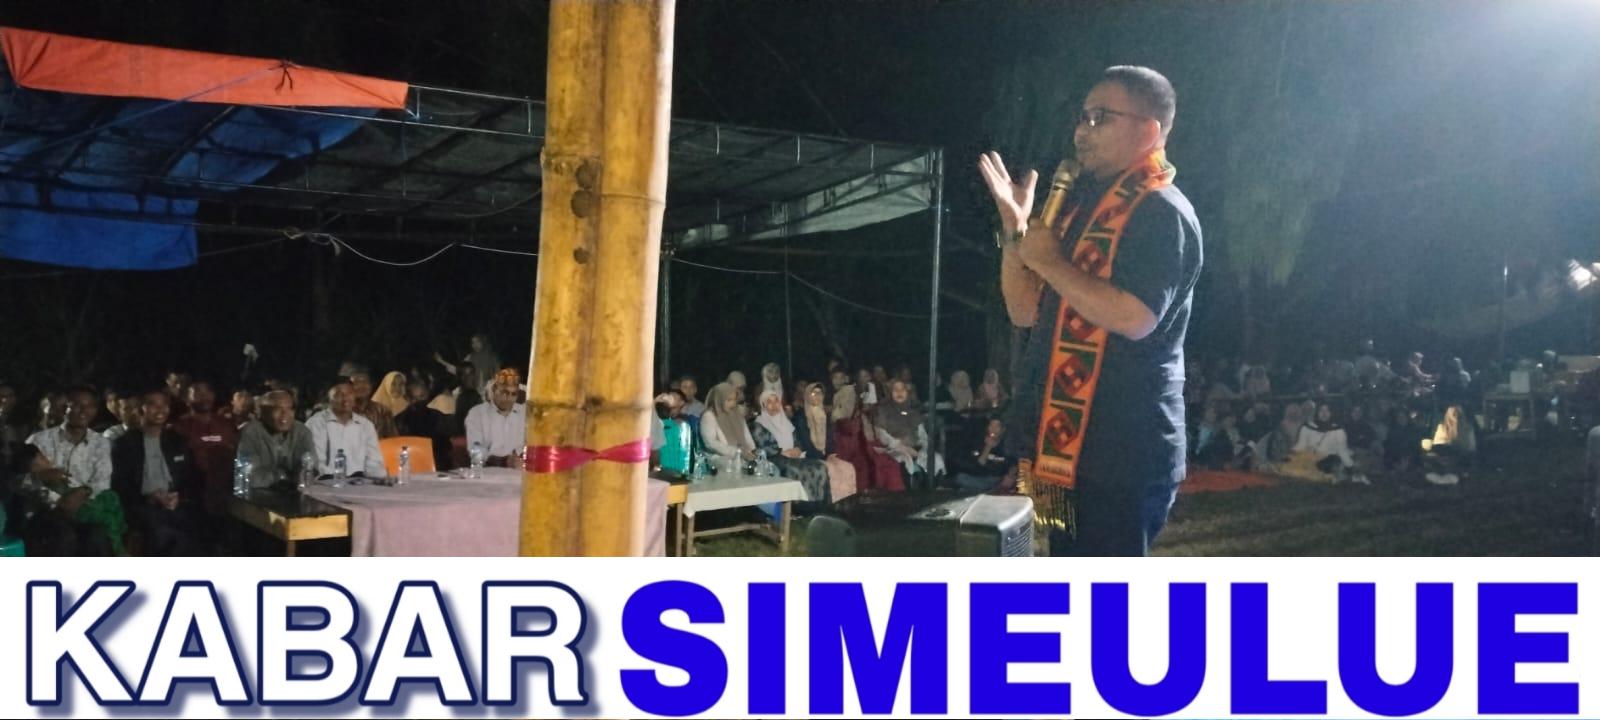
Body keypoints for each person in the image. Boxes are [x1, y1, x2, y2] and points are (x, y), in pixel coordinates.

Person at [981, 66, 1201, 556]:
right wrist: (1015, 232)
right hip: (1066, 449)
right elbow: (1024, 310)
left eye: (1101, 117)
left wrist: (1051, 262)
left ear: (1148, 130)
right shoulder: (1080, 210)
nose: (1082, 130)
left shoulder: (1162, 211)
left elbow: (1135, 318)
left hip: (1121, 452)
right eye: (1082, 117)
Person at [112, 390, 200, 556]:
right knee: (163, 533)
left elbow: (191, 477)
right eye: (153, 404)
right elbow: (119, 485)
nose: (160, 410)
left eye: (164, 405)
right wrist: (148, 498)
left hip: (175, 503)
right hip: (141, 506)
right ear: (141, 408)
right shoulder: (125, 444)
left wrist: (179, 496)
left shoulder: (177, 441)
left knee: (194, 529)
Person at [171, 380, 240, 522]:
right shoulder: (179, 427)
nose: (204, 397)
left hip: (226, 493)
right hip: (194, 497)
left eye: (208, 392)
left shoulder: (226, 424)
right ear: (186, 399)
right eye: (198, 393)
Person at [750, 389, 833, 505]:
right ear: (763, 405)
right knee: (797, 470)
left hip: (793, 457)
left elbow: (796, 439)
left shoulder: (786, 422)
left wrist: (797, 449)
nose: (774, 405)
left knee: (820, 467)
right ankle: (800, 507)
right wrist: (782, 452)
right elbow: (761, 448)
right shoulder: (758, 424)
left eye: (776, 401)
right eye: (769, 402)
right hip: (774, 460)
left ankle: (819, 505)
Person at [829, 384, 904, 493]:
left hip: (863, 449)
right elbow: (848, 434)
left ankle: (892, 497)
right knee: (868, 464)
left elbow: (870, 437)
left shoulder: (861, 416)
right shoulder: (839, 416)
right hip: (847, 451)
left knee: (890, 461)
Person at [306, 378, 387, 478]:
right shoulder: (316, 423)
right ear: (328, 398)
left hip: (360, 483)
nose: (345, 399)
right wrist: (338, 479)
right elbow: (317, 463)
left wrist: (380, 478)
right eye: (338, 395)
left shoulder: (365, 425)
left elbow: (374, 462)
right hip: (327, 482)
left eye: (349, 393)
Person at [237, 390, 316, 489]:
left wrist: (298, 475)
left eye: (289, 408)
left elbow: (309, 470)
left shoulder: (302, 431)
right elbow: (250, 478)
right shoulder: (250, 432)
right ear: (263, 413)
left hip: (294, 493)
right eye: (277, 409)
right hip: (257, 495)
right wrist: (283, 475)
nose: (285, 414)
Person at [875, 379, 943, 488]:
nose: (899, 392)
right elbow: (881, 434)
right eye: (895, 389)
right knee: (905, 461)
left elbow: (922, 435)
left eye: (902, 389)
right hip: (893, 450)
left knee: (935, 459)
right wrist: (901, 446)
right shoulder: (883, 411)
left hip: (915, 449)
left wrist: (923, 449)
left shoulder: (914, 412)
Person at [464, 369, 526, 467]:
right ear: (494, 390)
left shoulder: (524, 414)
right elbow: (476, 454)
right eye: (504, 392)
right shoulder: (477, 414)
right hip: (488, 472)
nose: (509, 398)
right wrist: (504, 461)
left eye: (513, 394)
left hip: (520, 471)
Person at [1294, 402, 1366, 484]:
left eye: (1327, 410)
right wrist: (1290, 456)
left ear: (1332, 413)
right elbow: (1300, 446)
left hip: (1331, 461)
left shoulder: (1338, 430)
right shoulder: (1307, 427)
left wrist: (1351, 467)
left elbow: (1342, 451)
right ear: (1317, 412)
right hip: (1311, 459)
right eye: (1321, 410)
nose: (1324, 413)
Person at [396, 379, 454, 471]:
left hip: (438, 467)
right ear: (408, 398)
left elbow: (446, 446)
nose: (418, 402)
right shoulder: (400, 421)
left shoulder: (437, 417)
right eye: (414, 398)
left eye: (422, 397)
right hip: (410, 469)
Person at [699, 382, 756, 472]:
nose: (732, 403)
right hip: (721, 459)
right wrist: (735, 452)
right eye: (729, 400)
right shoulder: (709, 416)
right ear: (719, 399)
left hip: (744, 456)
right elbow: (710, 443)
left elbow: (746, 435)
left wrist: (752, 450)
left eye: (734, 399)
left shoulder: (737, 413)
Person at [950, 417, 1017, 492]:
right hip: (980, 477)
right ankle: (987, 490)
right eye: (991, 426)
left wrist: (1011, 475)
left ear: (1002, 429)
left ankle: (981, 490)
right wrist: (988, 447)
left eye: (997, 426)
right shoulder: (978, 443)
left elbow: (1013, 463)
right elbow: (979, 464)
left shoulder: (1007, 445)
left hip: (997, 479)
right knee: (960, 478)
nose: (993, 429)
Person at [347, 368, 398, 439]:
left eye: (365, 382)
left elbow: (393, 439)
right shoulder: (341, 410)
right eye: (357, 382)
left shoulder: (382, 410)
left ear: (371, 385)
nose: (361, 386)